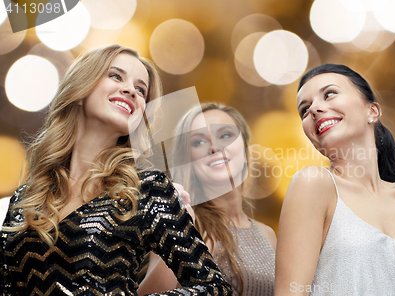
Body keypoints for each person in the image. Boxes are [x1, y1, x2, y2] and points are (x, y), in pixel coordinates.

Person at [0, 44, 233, 295]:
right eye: (115, 75)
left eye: (141, 90)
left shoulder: (148, 190)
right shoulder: (26, 197)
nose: (131, 90)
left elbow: (214, 287)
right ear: (80, 90)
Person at [275, 64, 395, 296]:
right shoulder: (313, 184)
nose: (314, 109)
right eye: (305, 109)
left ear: (372, 111)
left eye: (329, 94)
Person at [139, 103, 276, 296]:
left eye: (226, 135)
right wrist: (179, 231)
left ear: (245, 151)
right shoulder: (184, 224)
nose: (213, 147)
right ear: (190, 162)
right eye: (199, 141)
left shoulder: (268, 234)